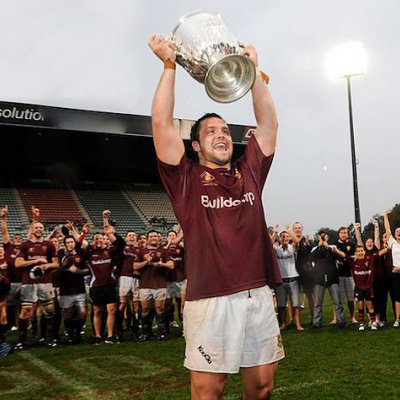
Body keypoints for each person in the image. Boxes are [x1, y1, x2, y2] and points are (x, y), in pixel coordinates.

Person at [148, 35, 283, 399]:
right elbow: (161, 125)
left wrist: (253, 71)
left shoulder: (250, 170)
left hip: (257, 293)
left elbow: (268, 125)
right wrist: (168, 65)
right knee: (209, 392)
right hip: (210, 299)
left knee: (263, 388)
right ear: (196, 145)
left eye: (224, 130)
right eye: (211, 132)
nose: (221, 135)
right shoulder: (186, 180)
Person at [310, 231, 346, 328]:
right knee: (317, 302)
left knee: (337, 301)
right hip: (319, 278)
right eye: (321, 236)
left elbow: (341, 257)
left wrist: (329, 248)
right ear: (318, 238)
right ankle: (316, 322)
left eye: (324, 236)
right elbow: (311, 258)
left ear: (327, 237)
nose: (322, 238)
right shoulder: (315, 248)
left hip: (332, 277)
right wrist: (319, 246)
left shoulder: (332, 247)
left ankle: (341, 321)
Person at [274, 230, 304, 331]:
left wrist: (289, 230)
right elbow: (269, 244)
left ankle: (298, 324)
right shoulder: (277, 249)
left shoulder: (292, 248)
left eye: (287, 237)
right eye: (283, 237)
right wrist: (274, 233)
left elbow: (297, 241)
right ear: (280, 238)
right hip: (281, 280)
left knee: (295, 304)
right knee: (281, 304)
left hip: (293, 279)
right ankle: (283, 324)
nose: (285, 238)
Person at [334, 227, 357, 324]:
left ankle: (352, 317)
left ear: (348, 234)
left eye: (345, 233)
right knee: (338, 300)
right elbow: (332, 258)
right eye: (341, 232)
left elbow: (354, 257)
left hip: (349, 275)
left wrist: (346, 258)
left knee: (351, 298)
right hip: (338, 276)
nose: (343, 234)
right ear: (338, 234)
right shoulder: (334, 245)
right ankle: (336, 318)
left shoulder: (352, 245)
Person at [383, 209, 400, 326]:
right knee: (398, 298)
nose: (399, 232)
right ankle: (398, 319)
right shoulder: (392, 243)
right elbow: (387, 230)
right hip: (396, 274)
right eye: (397, 231)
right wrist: (385, 216)